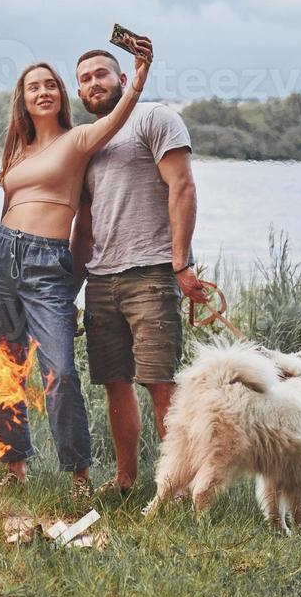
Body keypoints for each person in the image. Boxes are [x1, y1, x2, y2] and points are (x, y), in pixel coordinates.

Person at [0, 39, 151, 498]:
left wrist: (137, 79)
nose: (43, 92)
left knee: (61, 371)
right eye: (33, 87)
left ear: (61, 95)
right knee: (2, 366)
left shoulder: (78, 141)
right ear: (24, 98)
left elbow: (117, 118)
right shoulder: (15, 150)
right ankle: (14, 465)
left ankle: (78, 475)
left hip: (47, 261)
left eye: (51, 85)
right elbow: (8, 207)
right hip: (1, 255)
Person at [70, 49, 207, 496]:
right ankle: (126, 480)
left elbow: (182, 187)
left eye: (101, 74)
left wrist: (181, 263)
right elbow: (84, 223)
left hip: (150, 271)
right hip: (101, 279)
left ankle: (180, 488)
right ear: (79, 91)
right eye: (85, 78)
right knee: (114, 381)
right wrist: (69, 290)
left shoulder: (154, 118)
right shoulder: (87, 140)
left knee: (160, 381)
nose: (94, 83)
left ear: (122, 77)